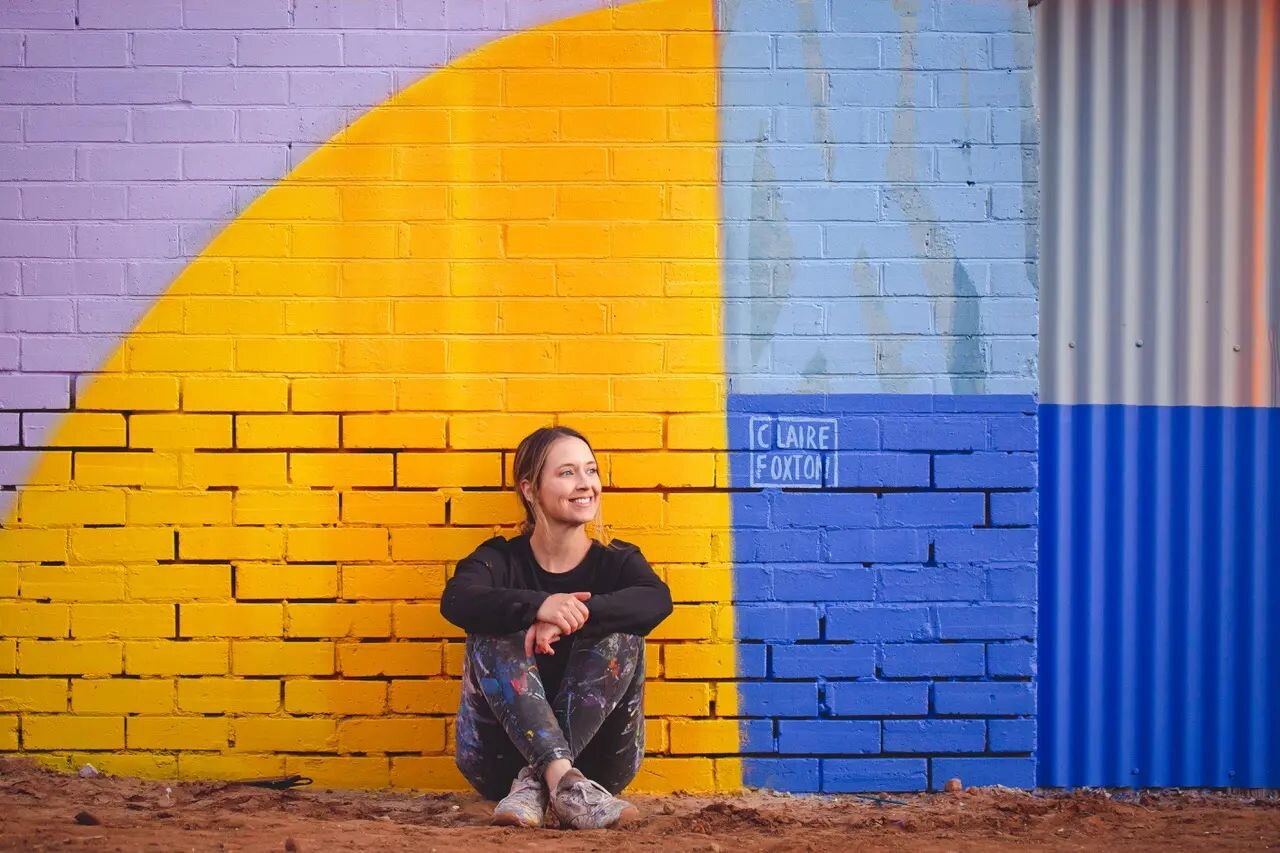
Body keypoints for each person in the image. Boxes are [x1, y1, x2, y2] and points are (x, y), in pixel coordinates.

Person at [440, 426, 673, 830]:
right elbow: (457, 599)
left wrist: (568, 620)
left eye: (591, 471)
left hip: (601, 767)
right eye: (567, 473)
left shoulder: (616, 562)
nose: (586, 484)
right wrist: (539, 607)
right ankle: (560, 781)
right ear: (529, 490)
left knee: (622, 632)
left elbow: (657, 601)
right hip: (496, 763)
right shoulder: (499, 559)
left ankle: (541, 782)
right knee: (492, 626)